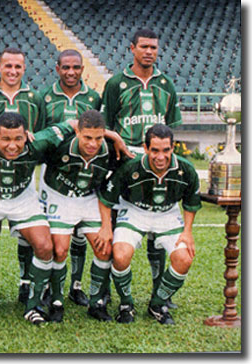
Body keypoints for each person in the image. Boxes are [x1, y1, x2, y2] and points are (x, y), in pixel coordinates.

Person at [0, 112, 74, 326]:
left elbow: (73, 124)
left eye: (18, 138)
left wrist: (116, 139)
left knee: (45, 247)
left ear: (27, 135)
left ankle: (33, 306)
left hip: (22, 199)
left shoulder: (39, 141)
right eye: (6, 139)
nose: (12, 145)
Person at [101, 28, 183, 309]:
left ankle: (160, 291)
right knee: (119, 227)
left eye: (154, 48)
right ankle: (107, 289)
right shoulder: (115, 84)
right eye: (144, 47)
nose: (149, 52)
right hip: (126, 161)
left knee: (157, 225)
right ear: (132, 48)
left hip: (157, 159)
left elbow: (169, 128)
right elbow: (108, 127)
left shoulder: (166, 84)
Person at [97, 124, 201, 324]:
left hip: (167, 213)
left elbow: (191, 203)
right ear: (145, 148)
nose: (160, 157)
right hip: (135, 211)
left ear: (173, 148)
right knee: (120, 255)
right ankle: (126, 304)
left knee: (184, 259)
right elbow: (107, 198)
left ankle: (158, 304)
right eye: (154, 150)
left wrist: (187, 232)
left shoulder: (185, 169)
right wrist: (106, 227)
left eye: (165, 150)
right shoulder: (131, 167)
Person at [0, 47, 46, 307]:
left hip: (22, 180)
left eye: (18, 67)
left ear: (24, 69)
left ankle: (25, 285)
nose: (13, 71)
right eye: (8, 66)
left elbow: (42, 133)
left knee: (28, 235)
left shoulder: (35, 98)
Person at [40, 110, 126, 323]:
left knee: (105, 247)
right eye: (87, 137)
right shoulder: (60, 146)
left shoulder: (109, 151)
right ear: (77, 131)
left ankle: (97, 302)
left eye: (98, 138)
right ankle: (56, 300)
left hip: (89, 198)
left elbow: (109, 189)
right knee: (59, 250)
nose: (93, 144)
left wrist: (107, 225)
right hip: (59, 197)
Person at [40, 49, 102, 307]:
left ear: (82, 69)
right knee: (56, 242)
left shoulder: (93, 97)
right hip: (55, 176)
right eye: (65, 67)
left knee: (82, 235)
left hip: (86, 176)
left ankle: (76, 286)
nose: (71, 72)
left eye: (76, 67)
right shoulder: (44, 97)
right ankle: (47, 289)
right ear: (57, 69)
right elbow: (40, 133)